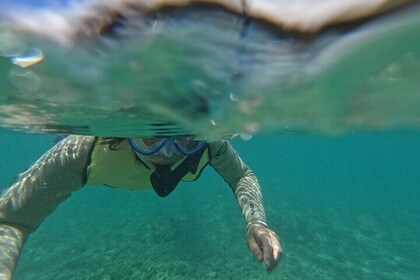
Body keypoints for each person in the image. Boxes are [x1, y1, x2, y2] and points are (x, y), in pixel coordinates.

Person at [0, 135, 282, 278]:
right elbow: (9, 219)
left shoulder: (210, 144)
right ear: (125, 132)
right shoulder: (81, 152)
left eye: (185, 139)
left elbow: (241, 174)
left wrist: (256, 221)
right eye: (150, 140)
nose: (168, 155)